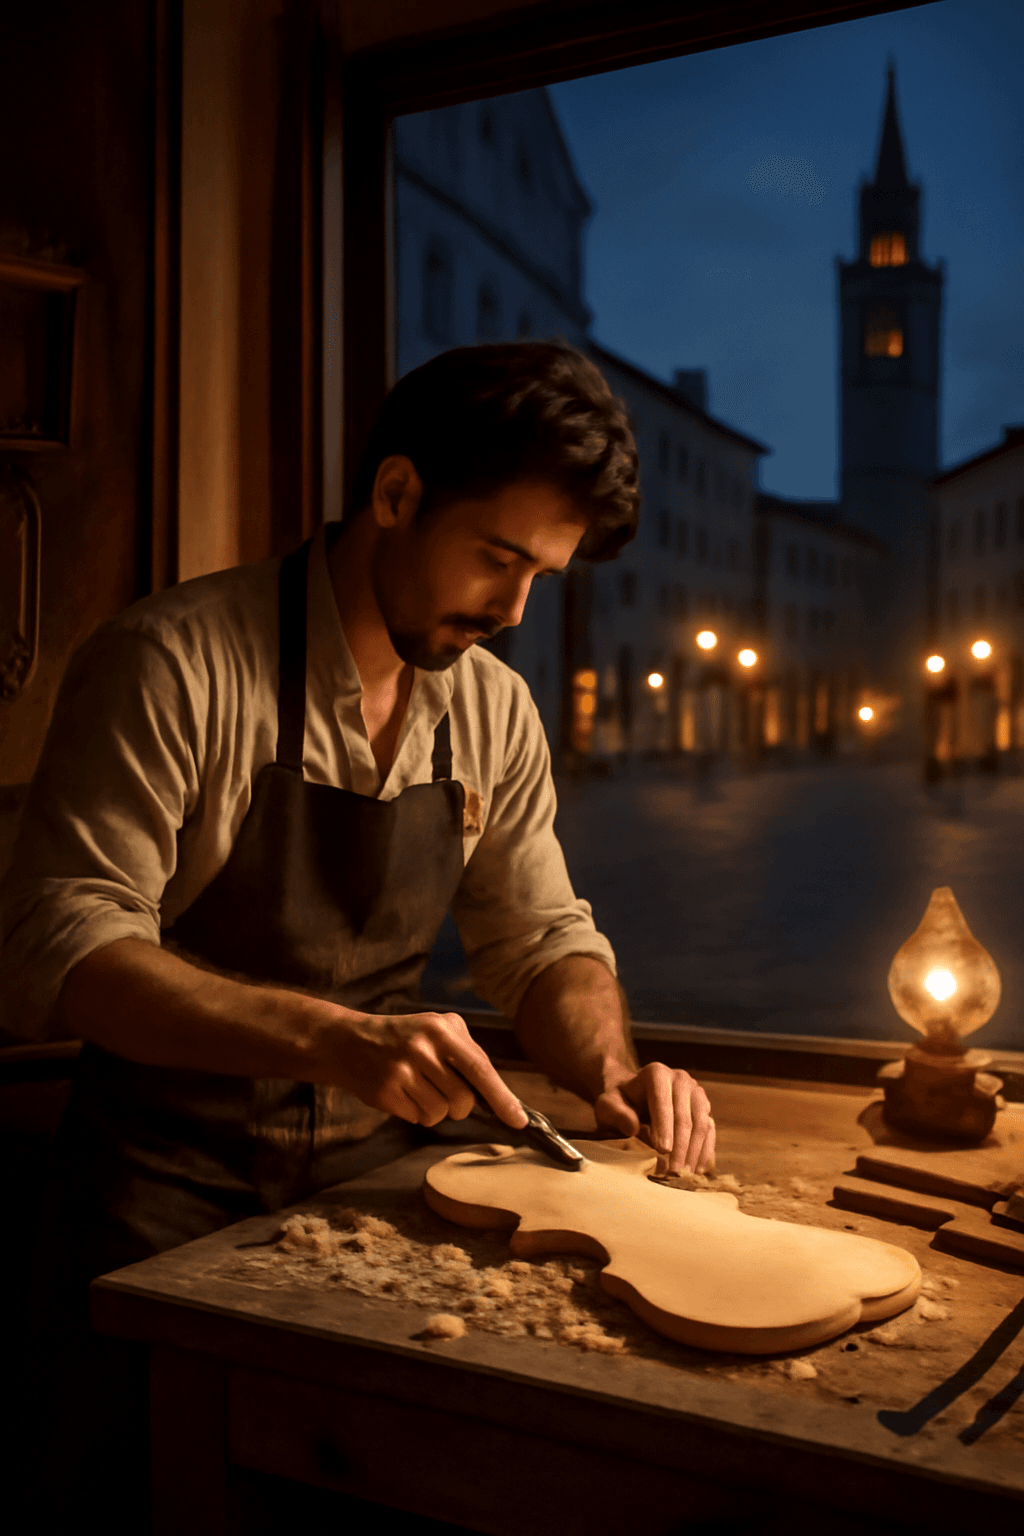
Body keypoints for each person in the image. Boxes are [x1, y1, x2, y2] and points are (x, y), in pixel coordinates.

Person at [2, 342, 714, 1520]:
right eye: (497, 559)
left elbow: (541, 934)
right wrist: (335, 1039)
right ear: (394, 496)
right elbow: (59, 944)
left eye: (542, 576)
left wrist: (612, 1072)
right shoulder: (170, 663)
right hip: (150, 1203)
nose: (514, 612)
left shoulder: (491, 709)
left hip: (367, 1209)